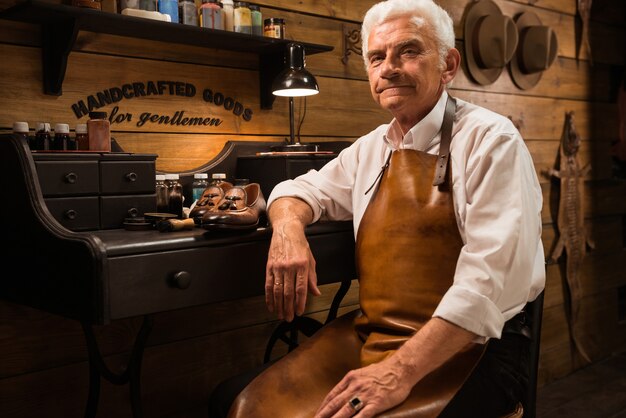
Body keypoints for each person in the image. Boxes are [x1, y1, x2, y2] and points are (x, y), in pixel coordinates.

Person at [210, 0, 545, 417]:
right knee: (243, 405)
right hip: (376, 335)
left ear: (448, 64)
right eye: (376, 57)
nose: (388, 68)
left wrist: (399, 372)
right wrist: (287, 232)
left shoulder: (490, 140)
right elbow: (295, 191)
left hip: (477, 346)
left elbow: (486, 286)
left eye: (408, 51)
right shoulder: (372, 147)